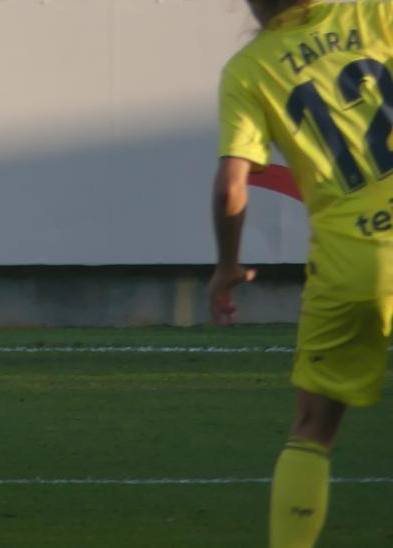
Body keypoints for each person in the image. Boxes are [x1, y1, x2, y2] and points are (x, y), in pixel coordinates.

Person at [210, 1, 393, 545]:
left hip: (353, 259)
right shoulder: (374, 12)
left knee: (313, 430)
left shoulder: (249, 68)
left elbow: (230, 188)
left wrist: (226, 268)